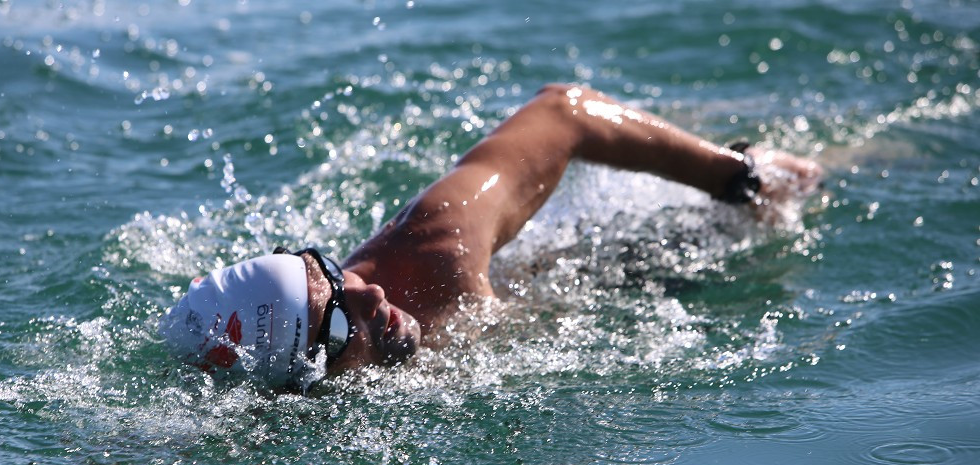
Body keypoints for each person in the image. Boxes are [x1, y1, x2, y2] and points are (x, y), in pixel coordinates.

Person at [159, 83, 822, 390]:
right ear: (308, 379)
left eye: (338, 275)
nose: (372, 300)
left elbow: (563, 111)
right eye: (336, 329)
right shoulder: (302, 411)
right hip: (574, 316)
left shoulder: (432, 248)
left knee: (815, 173)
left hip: (639, 258)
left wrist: (737, 179)